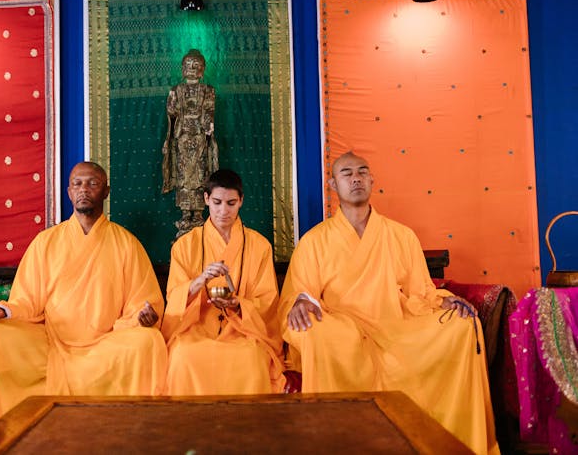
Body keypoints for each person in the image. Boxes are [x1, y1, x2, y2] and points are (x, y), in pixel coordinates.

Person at [279, 151, 499, 455]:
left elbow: (421, 293)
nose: (355, 178)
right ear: (332, 184)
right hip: (343, 331)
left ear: (372, 180)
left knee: (461, 327)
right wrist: (300, 304)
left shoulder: (401, 235)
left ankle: (447, 442)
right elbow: (298, 294)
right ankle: (338, 441)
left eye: (362, 172)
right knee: (318, 333)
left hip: (396, 325)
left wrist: (445, 301)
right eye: (346, 173)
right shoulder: (314, 241)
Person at [0, 162, 167, 450]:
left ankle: (132, 440)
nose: (84, 190)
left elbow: (143, 301)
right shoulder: (46, 242)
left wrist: (144, 317)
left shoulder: (127, 244)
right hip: (50, 342)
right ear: (68, 191)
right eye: (77, 184)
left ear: (106, 191)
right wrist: (4, 311)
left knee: (148, 341)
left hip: (105, 345)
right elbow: (27, 299)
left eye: (92, 183)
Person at [156, 169, 285, 395]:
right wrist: (200, 281)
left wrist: (237, 305)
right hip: (197, 326)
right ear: (206, 199)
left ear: (241, 201)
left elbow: (267, 301)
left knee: (252, 357)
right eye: (216, 202)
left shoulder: (259, 245)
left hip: (245, 330)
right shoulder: (185, 245)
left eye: (231, 203)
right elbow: (173, 298)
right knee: (183, 354)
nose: (223, 211)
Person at [162, 48, 218, 239]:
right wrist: (172, 104)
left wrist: (208, 127)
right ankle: (186, 213)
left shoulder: (208, 90)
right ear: (182, 69)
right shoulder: (176, 89)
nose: (192, 69)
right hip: (183, 137)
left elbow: (209, 111)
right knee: (184, 175)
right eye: (188, 66)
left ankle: (199, 214)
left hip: (200, 137)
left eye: (196, 66)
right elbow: (172, 111)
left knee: (201, 174)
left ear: (202, 70)